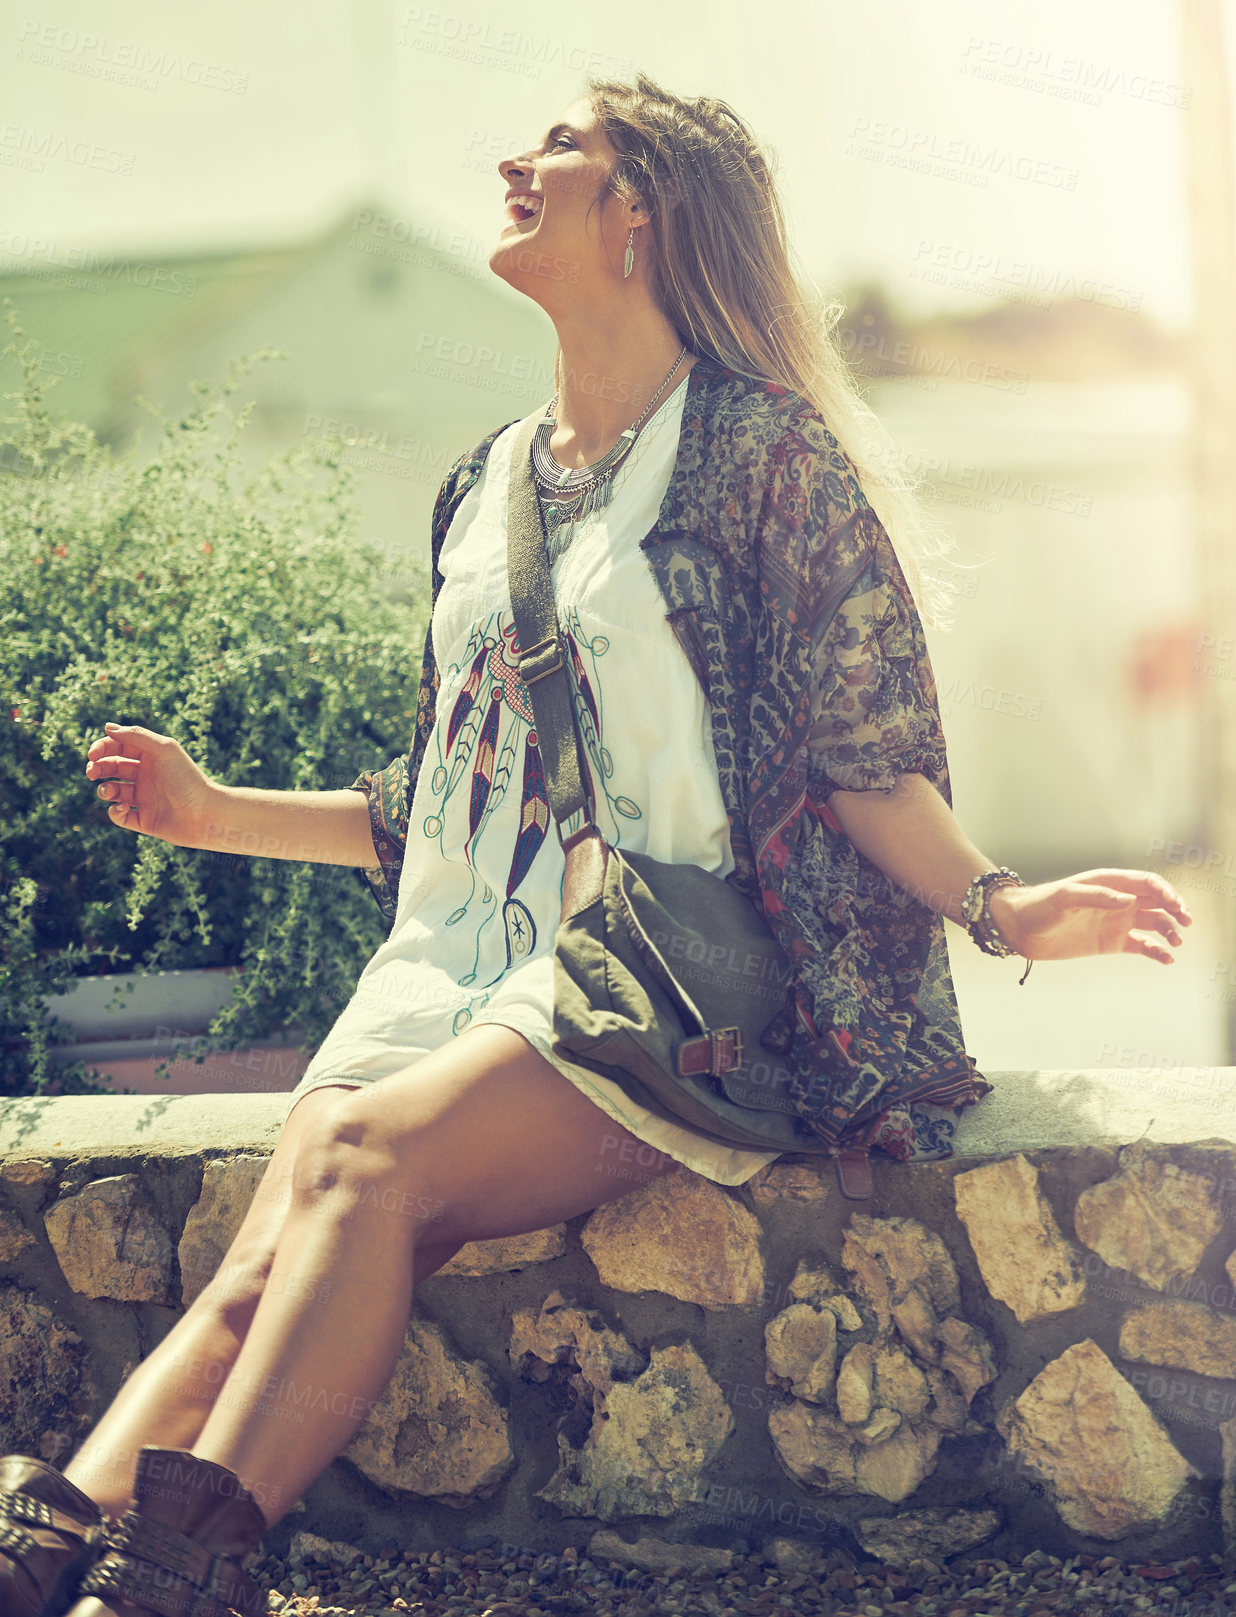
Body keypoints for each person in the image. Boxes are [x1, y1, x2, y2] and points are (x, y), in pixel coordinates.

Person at [1, 72, 1192, 1617]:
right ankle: (55, 1550)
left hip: (660, 990)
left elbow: (858, 762)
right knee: (269, 1238)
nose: (516, 158)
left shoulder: (765, 460)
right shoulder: (482, 484)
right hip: (446, 964)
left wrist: (1002, 904)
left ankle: (177, 1571)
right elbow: (441, 795)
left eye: (566, 148)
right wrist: (216, 812)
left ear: (648, 214)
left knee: (361, 1162)